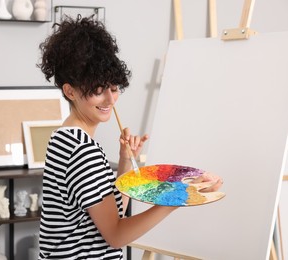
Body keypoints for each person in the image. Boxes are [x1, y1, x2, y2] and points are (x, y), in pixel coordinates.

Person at [37, 15, 223, 260]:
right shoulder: (83, 150)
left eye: (113, 88)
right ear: (70, 91)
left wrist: (125, 160)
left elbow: (110, 215)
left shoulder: (63, 139)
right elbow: (115, 235)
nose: (110, 100)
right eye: (97, 90)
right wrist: (179, 197)